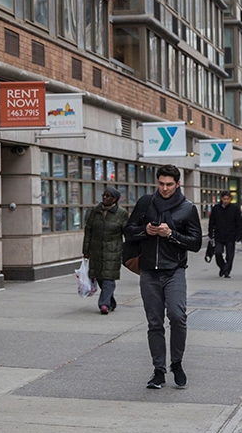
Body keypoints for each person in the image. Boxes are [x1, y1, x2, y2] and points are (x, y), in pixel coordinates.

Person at [124, 164, 202, 389]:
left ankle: (176, 363)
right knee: (154, 322)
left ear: (178, 184)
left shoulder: (187, 208)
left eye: (169, 184)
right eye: (161, 184)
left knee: (178, 317)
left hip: (174, 270)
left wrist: (171, 234)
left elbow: (195, 243)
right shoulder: (146, 203)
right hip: (148, 272)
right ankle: (158, 370)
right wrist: (144, 231)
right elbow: (128, 231)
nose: (165, 188)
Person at [82, 186, 129, 315]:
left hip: (112, 251)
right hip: (96, 250)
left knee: (108, 278)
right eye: (104, 195)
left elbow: (127, 233)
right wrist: (85, 250)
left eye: (108, 196)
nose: (105, 197)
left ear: (115, 199)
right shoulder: (95, 211)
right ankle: (110, 302)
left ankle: (103, 304)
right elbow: (88, 231)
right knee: (100, 277)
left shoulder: (121, 213)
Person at [208, 190, 242, 278]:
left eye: (228, 199)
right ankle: (222, 267)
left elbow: (239, 223)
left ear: (230, 199)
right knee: (218, 252)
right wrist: (210, 233)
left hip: (231, 235)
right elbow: (212, 221)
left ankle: (227, 270)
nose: (226, 201)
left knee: (230, 255)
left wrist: (238, 235)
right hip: (219, 235)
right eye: (224, 199)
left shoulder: (234, 209)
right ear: (221, 199)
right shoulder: (216, 208)